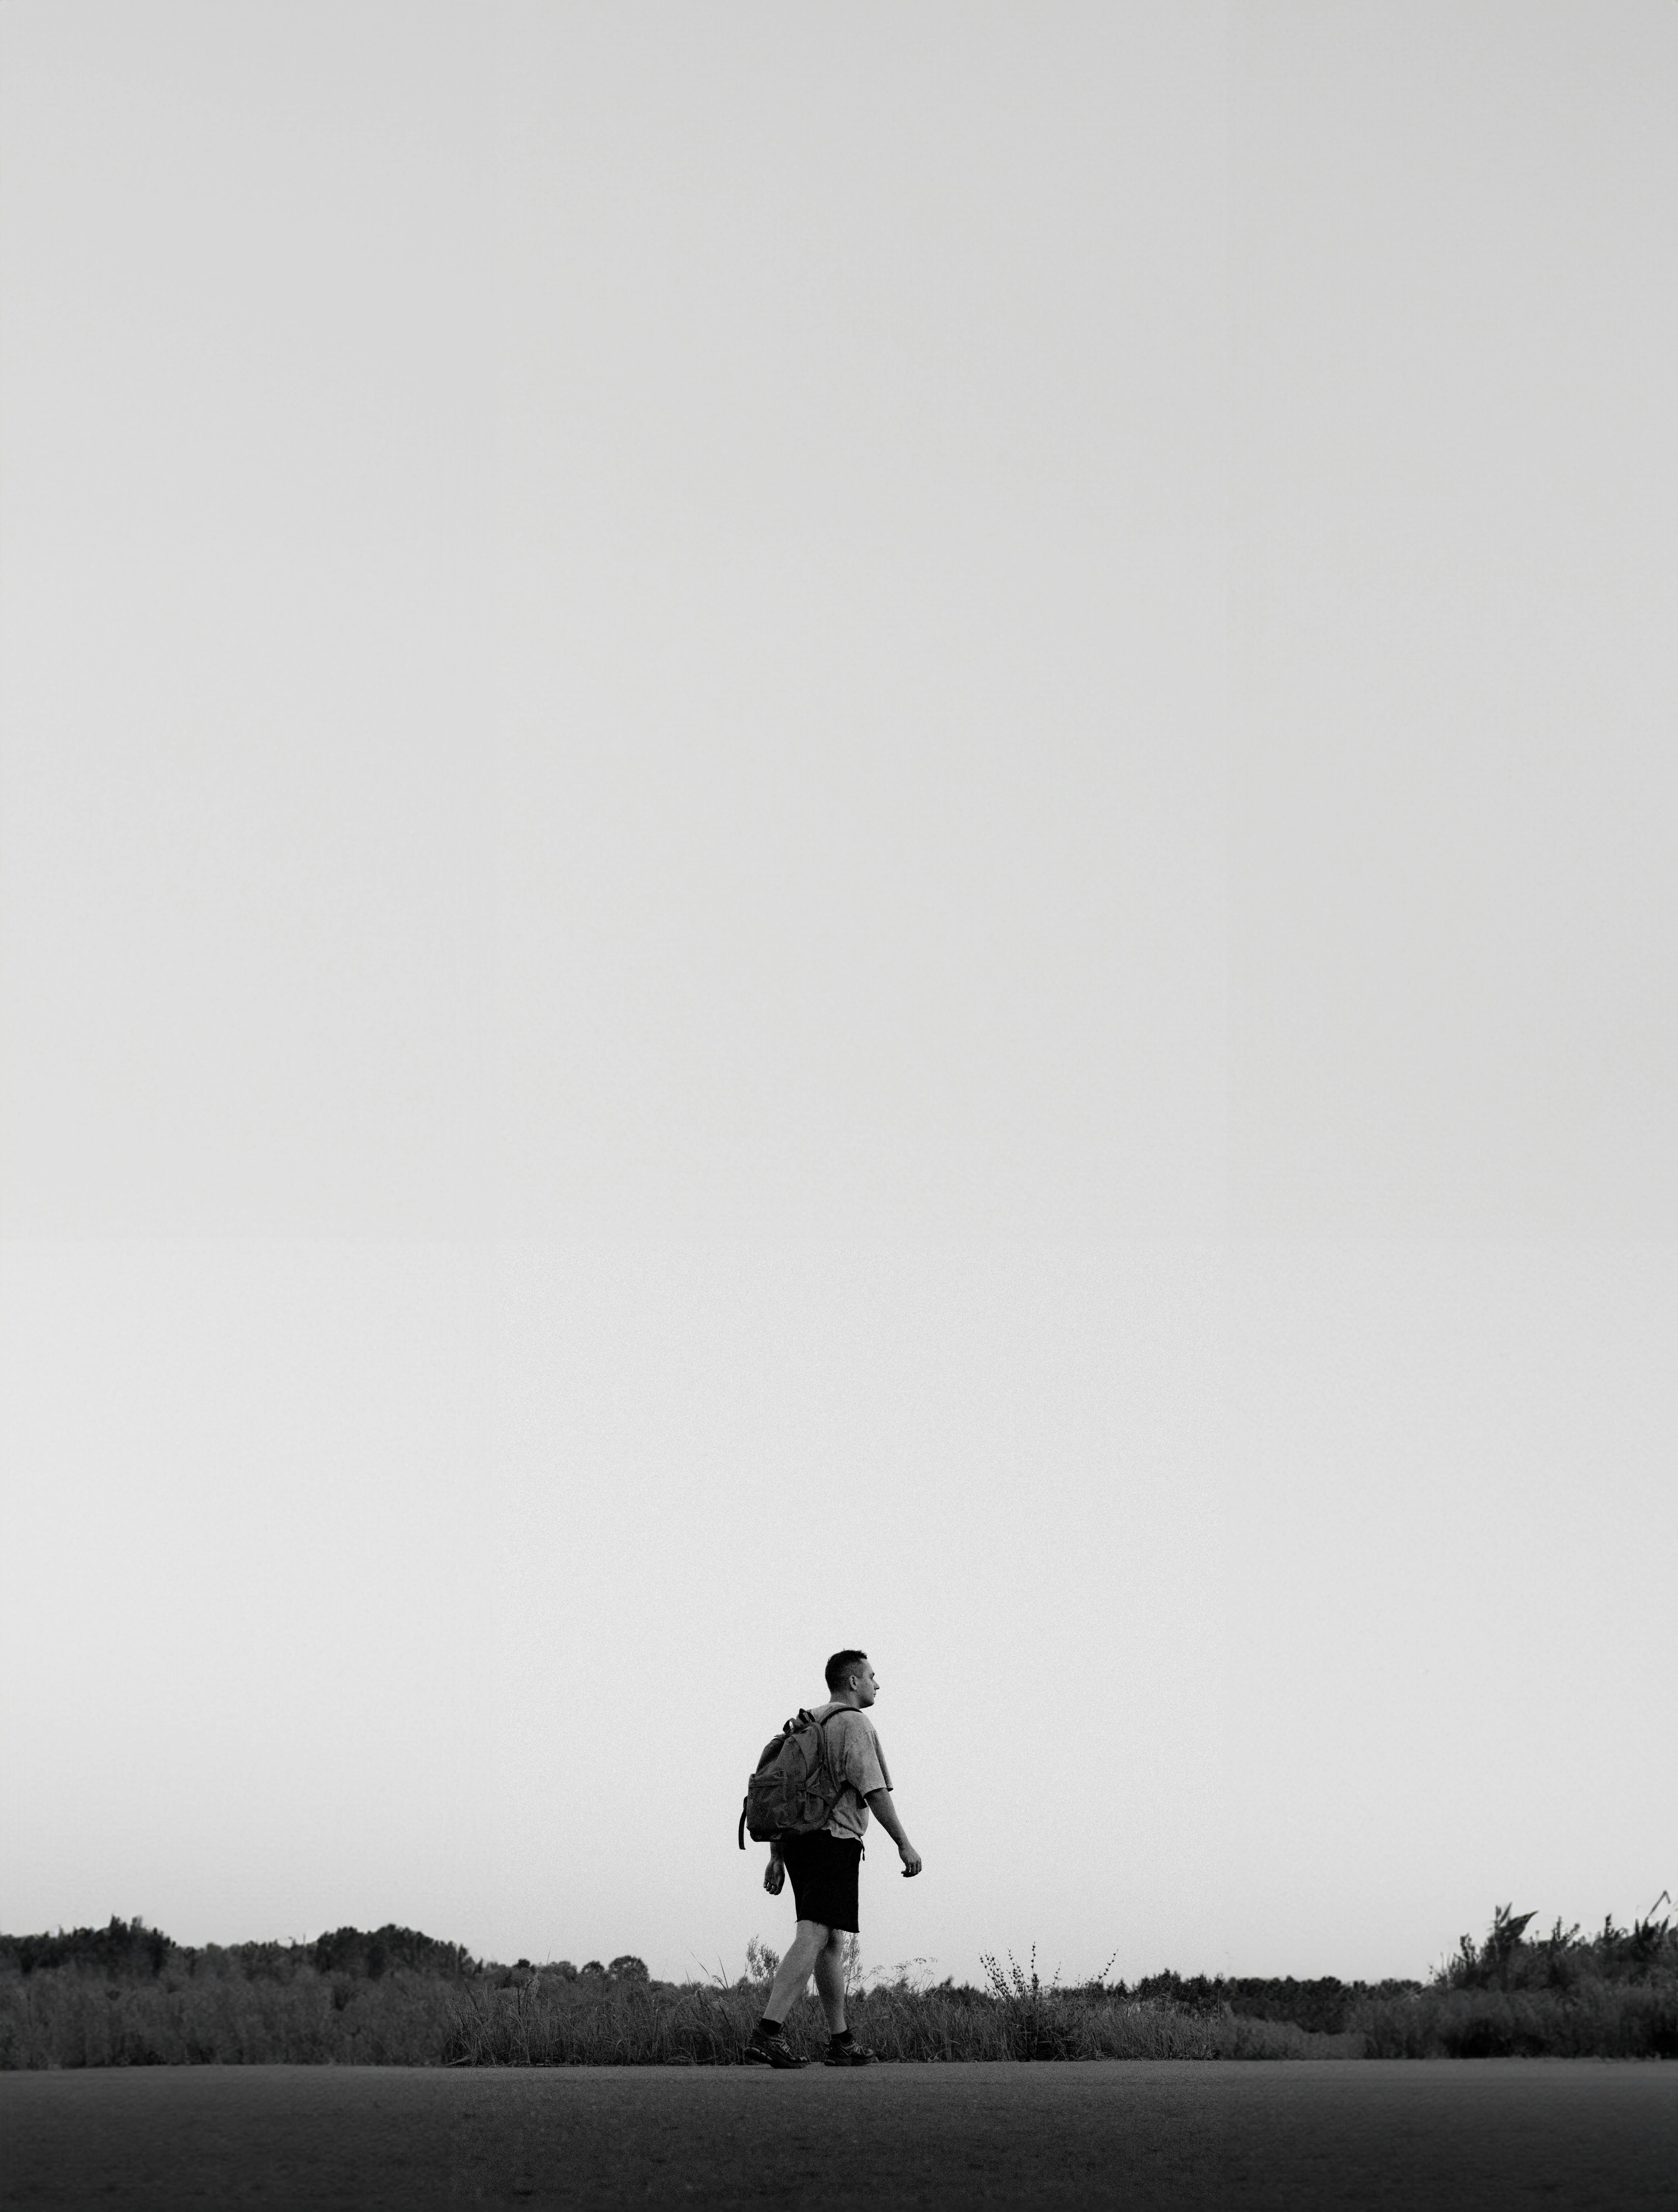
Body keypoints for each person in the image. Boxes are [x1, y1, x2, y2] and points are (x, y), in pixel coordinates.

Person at [744, 1650, 922, 2069]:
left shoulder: (806, 1722)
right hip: (833, 1838)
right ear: (853, 1683)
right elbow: (874, 1791)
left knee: (830, 1941)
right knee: (814, 1933)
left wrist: (776, 1855)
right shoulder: (852, 1723)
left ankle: (840, 2040)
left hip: (799, 1842)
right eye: (873, 1677)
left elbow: (784, 1790)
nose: (878, 1684)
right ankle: (768, 2033)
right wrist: (904, 1844)